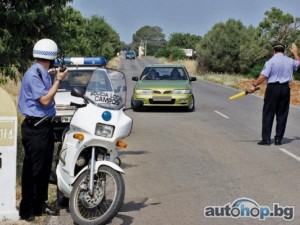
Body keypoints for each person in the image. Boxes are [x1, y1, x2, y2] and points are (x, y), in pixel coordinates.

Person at [18, 38, 68, 221]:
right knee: (33, 169)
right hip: (35, 127)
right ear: (52, 56)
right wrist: (59, 81)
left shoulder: (42, 72)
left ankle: (40, 204)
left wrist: (54, 75)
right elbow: (45, 100)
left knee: (45, 168)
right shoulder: (34, 75)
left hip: (45, 125)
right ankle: (27, 210)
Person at [249, 43, 300, 145]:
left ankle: (266, 139)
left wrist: (254, 85)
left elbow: (263, 76)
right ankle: (278, 140)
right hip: (285, 89)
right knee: (282, 114)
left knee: (268, 113)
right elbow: (298, 64)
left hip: (273, 89)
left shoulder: (270, 61)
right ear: (284, 51)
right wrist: (295, 53)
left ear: (274, 51)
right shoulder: (290, 61)